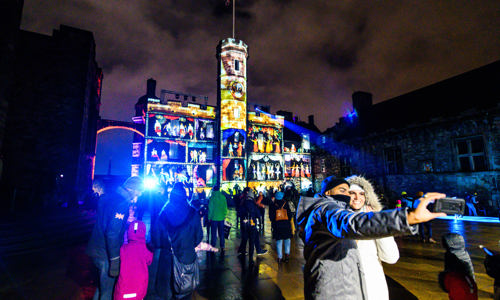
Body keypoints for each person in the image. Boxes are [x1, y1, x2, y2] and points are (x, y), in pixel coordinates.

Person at [296, 175, 446, 300]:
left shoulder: (373, 220)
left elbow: (391, 257)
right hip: (339, 292)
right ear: (328, 193)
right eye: (349, 192)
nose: (353, 197)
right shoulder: (327, 209)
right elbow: (350, 223)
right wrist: (409, 217)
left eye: (361, 194)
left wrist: (378, 225)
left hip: (371, 291)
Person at [86, 176, 145, 300]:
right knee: (107, 291)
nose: (138, 195)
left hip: (95, 249)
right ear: (133, 189)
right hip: (105, 254)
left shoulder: (109, 197)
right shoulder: (121, 203)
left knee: (102, 288)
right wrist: (115, 259)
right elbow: (112, 233)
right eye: (139, 192)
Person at [346, 175, 400, 300]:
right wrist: (363, 225)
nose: (357, 198)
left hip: (373, 287)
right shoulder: (337, 221)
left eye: (361, 194)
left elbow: (391, 257)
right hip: (346, 286)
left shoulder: (375, 218)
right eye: (352, 193)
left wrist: (376, 223)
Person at [157, 182, 203, 300]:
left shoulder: (164, 212)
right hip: (186, 256)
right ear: (184, 195)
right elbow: (198, 237)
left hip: (168, 257)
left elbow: (157, 237)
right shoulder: (193, 212)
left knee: (167, 289)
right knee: (184, 290)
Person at [114, 220, 153, 300]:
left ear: (129, 232)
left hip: (122, 290)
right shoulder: (145, 250)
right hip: (138, 290)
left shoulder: (123, 249)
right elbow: (150, 260)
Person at [438, 233, 478, 300]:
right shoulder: (463, 252)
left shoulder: (452, 256)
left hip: (459, 285)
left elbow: (449, 272)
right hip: (467, 285)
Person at [237, 189, 268, 262]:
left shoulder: (243, 203)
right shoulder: (253, 205)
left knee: (245, 237)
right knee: (252, 238)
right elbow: (258, 215)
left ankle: (243, 250)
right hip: (252, 224)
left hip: (244, 224)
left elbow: (239, 214)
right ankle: (251, 255)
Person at [269, 191, 293, 263]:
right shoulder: (286, 204)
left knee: (279, 241)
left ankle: (279, 258)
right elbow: (289, 215)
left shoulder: (272, 205)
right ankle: (287, 256)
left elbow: (271, 217)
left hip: (277, 226)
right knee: (287, 240)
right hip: (286, 225)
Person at [208, 185, 228, 252]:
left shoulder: (212, 198)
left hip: (214, 218)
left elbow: (210, 209)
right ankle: (222, 246)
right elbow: (225, 207)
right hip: (221, 218)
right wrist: (224, 215)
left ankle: (213, 246)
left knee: (213, 233)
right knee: (221, 233)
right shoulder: (223, 197)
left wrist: (209, 217)